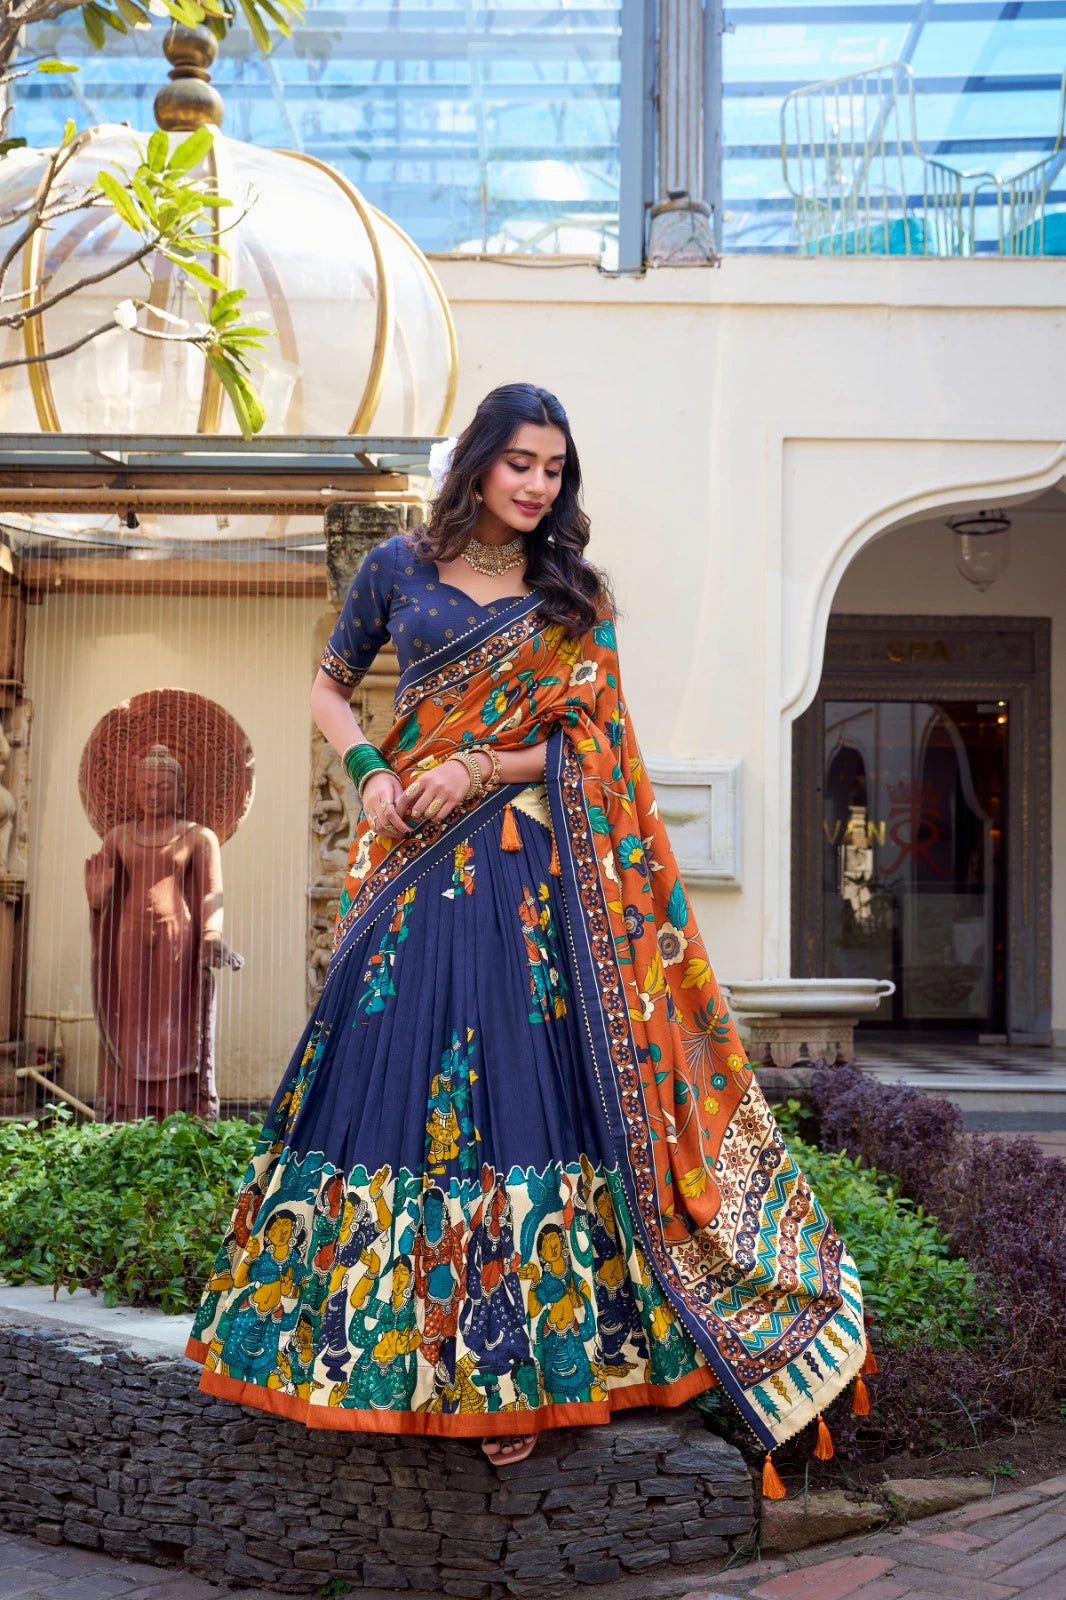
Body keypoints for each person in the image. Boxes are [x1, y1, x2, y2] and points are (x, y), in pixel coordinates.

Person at [188, 383, 869, 1480]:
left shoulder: (572, 595)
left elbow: (591, 748)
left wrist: (478, 765)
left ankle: (520, 1373)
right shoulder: (396, 569)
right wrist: (370, 769)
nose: (538, 484)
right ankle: (351, 1350)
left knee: (516, 1092)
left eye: (555, 468)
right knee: (386, 1084)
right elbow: (327, 688)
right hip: (407, 869)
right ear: (477, 462)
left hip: (519, 876)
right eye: (521, 462)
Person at [84, 744, 242, 1120]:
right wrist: (97, 899)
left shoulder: (198, 837)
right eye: (146, 786)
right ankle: (127, 1104)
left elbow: (212, 893)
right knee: (130, 1013)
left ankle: (178, 1103)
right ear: (135, 790)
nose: (153, 795)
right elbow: (103, 893)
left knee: (175, 1015)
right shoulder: (118, 837)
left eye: (164, 787)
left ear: (181, 790)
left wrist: (211, 934)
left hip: (177, 932)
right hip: (130, 930)